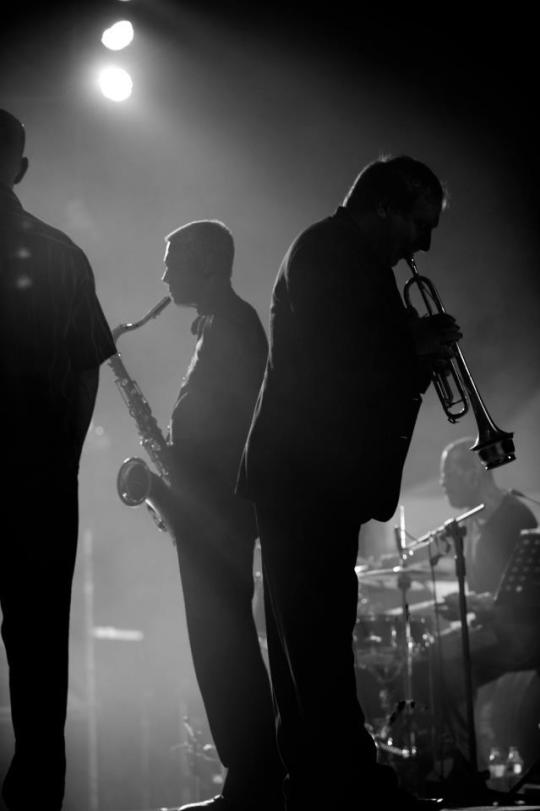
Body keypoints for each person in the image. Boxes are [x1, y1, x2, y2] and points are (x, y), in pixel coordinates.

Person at [237, 155, 461, 809]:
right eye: (420, 224)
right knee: (316, 640)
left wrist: (415, 358)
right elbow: (340, 359)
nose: (423, 243)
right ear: (387, 206)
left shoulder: (348, 258)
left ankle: (320, 783)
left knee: (310, 639)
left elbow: (367, 370)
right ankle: (346, 785)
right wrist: (413, 345)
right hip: (303, 476)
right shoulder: (327, 251)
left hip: (311, 477)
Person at [0, 109, 116, 810]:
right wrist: (57, 460)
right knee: (41, 664)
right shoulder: (61, 253)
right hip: (38, 485)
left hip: (37, 477)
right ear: (21, 168)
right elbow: (86, 372)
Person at [159, 220, 284, 811]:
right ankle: (249, 774)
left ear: (207, 262)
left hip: (218, 513)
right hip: (210, 510)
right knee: (218, 642)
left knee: (222, 643)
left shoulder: (234, 326)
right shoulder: (217, 324)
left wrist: (180, 484)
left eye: (172, 259)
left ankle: (253, 778)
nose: (163, 273)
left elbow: (234, 429)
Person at [425, 437, 538, 781]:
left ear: (474, 473)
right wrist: (466, 605)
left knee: (443, 654)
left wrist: (474, 604)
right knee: (435, 651)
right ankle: (464, 757)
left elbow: (527, 593)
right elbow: (489, 592)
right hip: (496, 629)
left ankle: (465, 764)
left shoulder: (515, 516)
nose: (442, 482)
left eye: (448, 472)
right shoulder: (472, 525)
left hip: (524, 634)